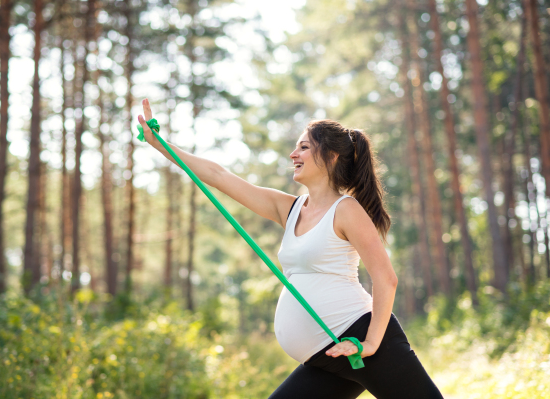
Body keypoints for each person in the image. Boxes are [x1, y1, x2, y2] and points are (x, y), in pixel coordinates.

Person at [137, 98, 443, 398]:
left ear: (332, 155)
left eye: (304, 147)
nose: (292, 153)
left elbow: (385, 277)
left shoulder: (346, 209)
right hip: (326, 355)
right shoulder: (290, 208)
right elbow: (219, 176)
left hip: (357, 337)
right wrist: (160, 144)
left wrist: (372, 343)